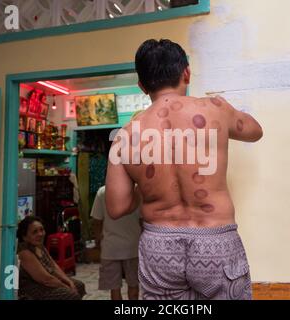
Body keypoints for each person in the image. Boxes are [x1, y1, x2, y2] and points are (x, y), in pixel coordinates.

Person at [105, 39, 263, 300]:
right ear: (186, 73)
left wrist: (148, 186)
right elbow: (255, 131)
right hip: (214, 240)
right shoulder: (215, 109)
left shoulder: (126, 135)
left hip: (159, 245)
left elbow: (117, 207)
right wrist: (223, 113)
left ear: (142, 86)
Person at [16, 216, 86, 300]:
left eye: (41, 230)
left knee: (79, 286)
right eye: (35, 232)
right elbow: (45, 279)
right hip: (33, 288)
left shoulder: (39, 245)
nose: (40, 234)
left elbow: (53, 266)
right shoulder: (24, 252)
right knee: (71, 295)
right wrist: (65, 287)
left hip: (44, 284)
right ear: (25, 237)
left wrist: (69, 282)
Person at [90, 185, 141, 300]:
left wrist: (98, 241)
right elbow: (143, 221)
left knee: (115, 288)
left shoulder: (102, 192)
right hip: (133, 247)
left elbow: (97, 221)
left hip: (110, 248)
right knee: (134, 284)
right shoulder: (137, 191)